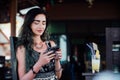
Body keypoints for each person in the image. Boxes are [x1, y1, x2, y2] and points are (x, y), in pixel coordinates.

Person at [16, 8, 62, 80]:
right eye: (36, 23)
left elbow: (58, 77)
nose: (41, 26)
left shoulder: (51, 44)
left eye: (43, 23)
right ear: (29, 24)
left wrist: (57, 60)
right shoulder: (22, 48)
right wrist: (39, 63)